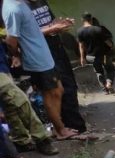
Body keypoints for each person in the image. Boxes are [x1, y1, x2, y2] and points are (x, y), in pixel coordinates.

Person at [3, 0, 77, 140]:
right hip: (35, 58)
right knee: (50, 93)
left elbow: (32, 29)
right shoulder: (13, 9)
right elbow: (11, 40)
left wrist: (55, 25)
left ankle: (59, 127)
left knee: (58, 90)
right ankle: (60, 130)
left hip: (44, 54)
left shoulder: (21, 4)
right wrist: (17, 55)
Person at [26, 0, 88, 134]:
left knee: (69, 86)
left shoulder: (41, 2)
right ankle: (66, 128)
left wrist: (60, 24)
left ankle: (75, 127)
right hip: (41, 52)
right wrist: (52, 29)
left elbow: (50, 22)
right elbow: (25, 34)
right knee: (55, 90)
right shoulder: (19, 7)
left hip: (57, 47)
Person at [0, 41, 57, 155]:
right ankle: (41, 138)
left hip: (4, 67)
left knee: (9, 107)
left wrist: (13, 55)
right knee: (19, 100)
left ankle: (21, 141)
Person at [77, 13, 114, 94]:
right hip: (103, 55)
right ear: (91, 19)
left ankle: (104, 89)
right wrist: (111, 46)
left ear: (82, 20)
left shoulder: (79, 31)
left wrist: (82, 58)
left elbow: (81, 46)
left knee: (99, 72)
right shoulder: (98, 29)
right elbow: (108, 42)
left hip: (90, 56)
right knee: (110, 69)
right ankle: (108, 84)